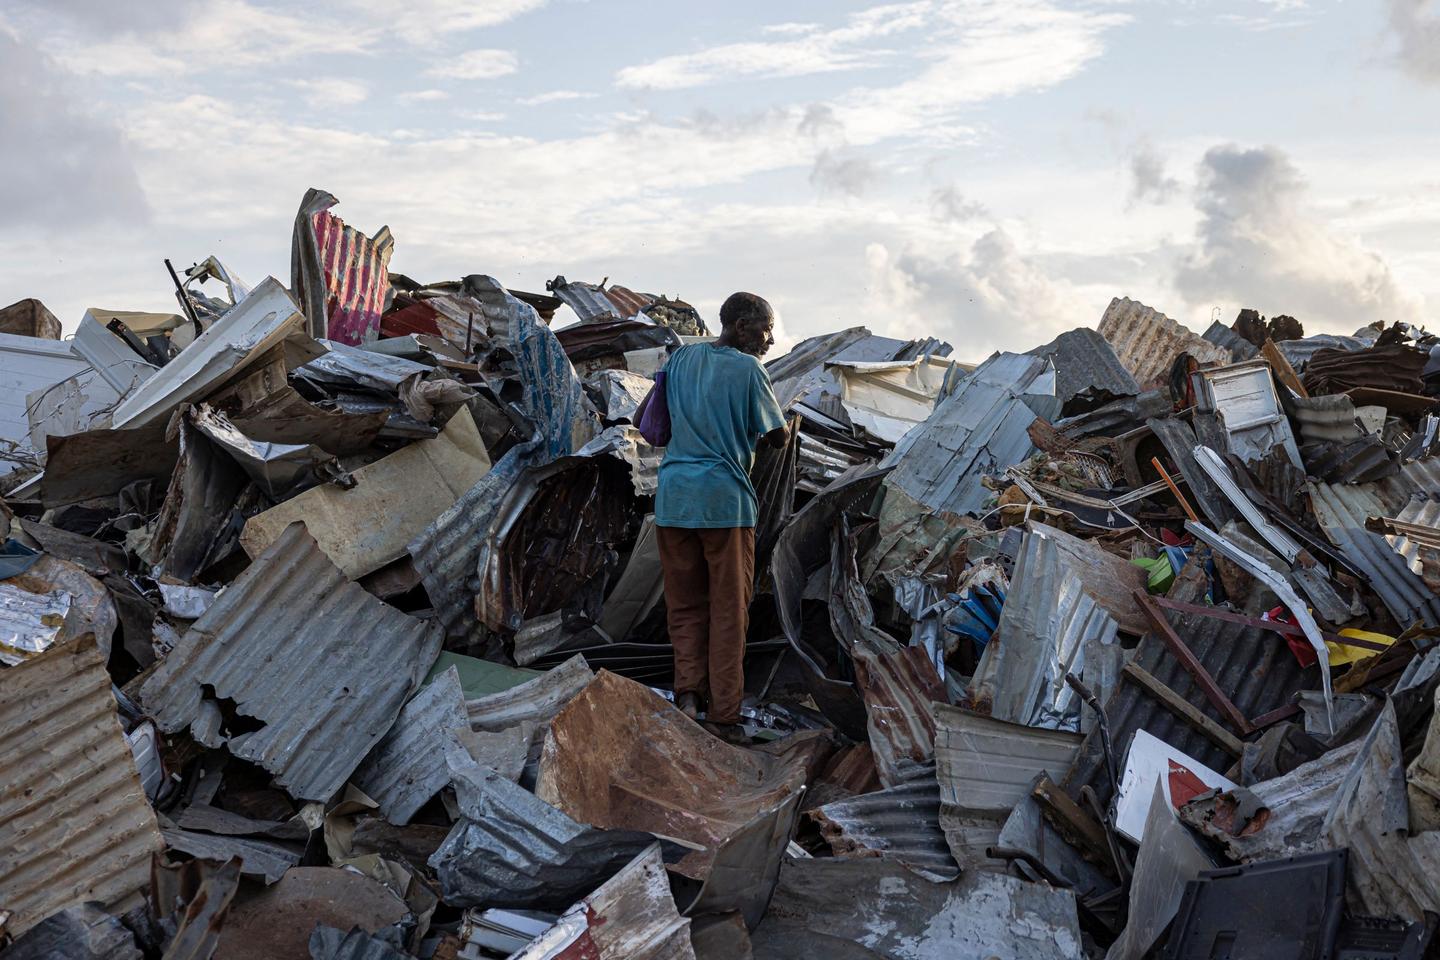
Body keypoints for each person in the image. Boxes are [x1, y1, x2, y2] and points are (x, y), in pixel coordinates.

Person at [644, 291, 788, 743]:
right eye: (765, 329)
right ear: (741, 326)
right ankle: (724, 714)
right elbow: (778, 437)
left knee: (685, 607)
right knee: (728, 611)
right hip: (724, 504)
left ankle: (688, 696)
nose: (769, 339)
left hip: (674, 501)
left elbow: (650, 419)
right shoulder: (749, 369)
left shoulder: (681, 360)